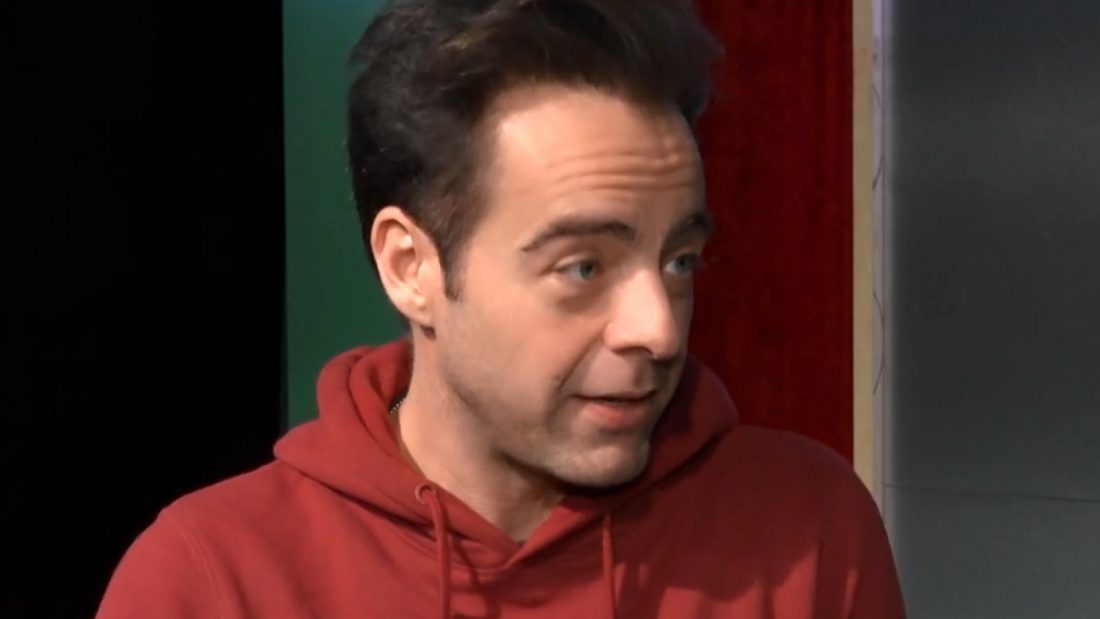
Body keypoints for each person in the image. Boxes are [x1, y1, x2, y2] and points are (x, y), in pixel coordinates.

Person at [97, 0, 905, 617]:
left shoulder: (807, 531)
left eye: (679, 260)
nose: (659, 329)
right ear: (410, 267)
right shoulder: (209, 580)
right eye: (583, 266)